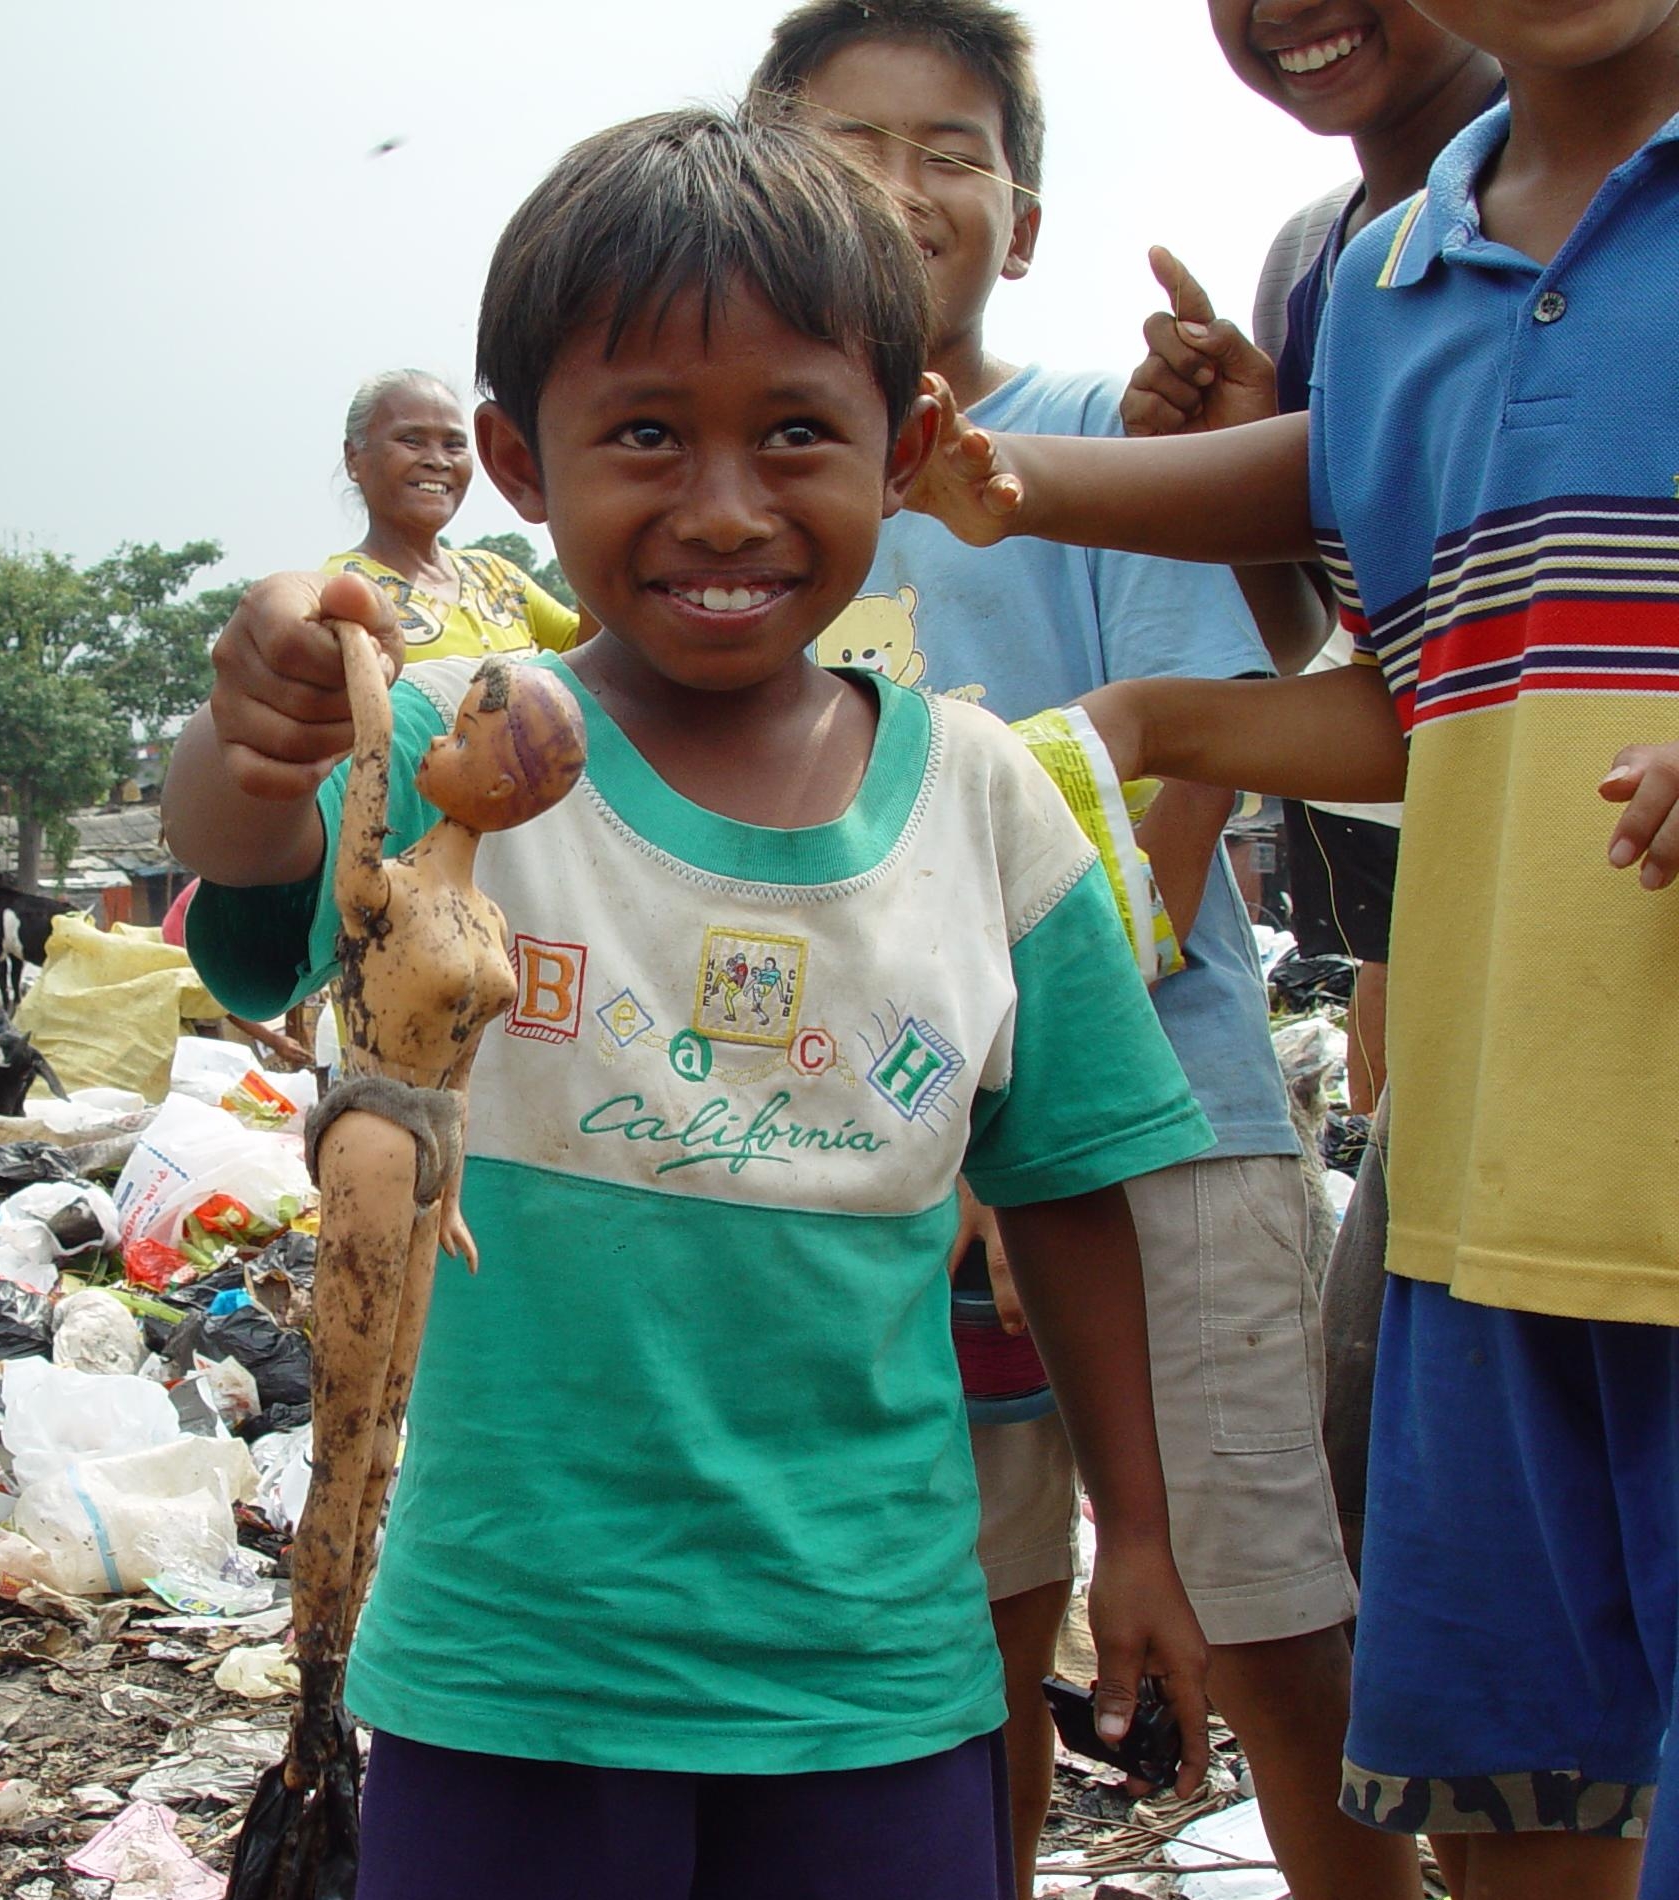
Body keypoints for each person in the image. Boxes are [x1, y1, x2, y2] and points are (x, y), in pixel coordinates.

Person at [167, 106, 1217, 1900]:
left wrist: (1146, 1540)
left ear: (911, 447)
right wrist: (251, 725)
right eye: (644, 432)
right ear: (519, 456)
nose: (723, 504)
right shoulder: (454, 750)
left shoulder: (985, 805)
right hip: (510, 1677)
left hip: (875, 1684)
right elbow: (256, 882)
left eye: (798, 432)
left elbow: (1075, 1198)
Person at [904, 4, 1679, 1891]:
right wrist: (1150, 694)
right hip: (1485, 1205)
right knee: (1523, 1801)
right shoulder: (1402, 278)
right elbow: (1422, 697)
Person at [748, 9, 1403, 1896]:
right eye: (846, 144)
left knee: (1266, 1639)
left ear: (1023, 221)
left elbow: (1176, 786)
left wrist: (996, 1106)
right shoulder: (746, 487)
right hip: (826, 1156)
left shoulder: (1098, 447)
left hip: (1151, 1128)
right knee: (958, 1654)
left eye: (950, 149)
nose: (899, 186)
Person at [1122, 5, 1504, 1123]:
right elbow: (1340, 644)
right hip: (1440, 883)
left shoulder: (1603, 186)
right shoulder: (1313, 262)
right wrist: (1230, 464)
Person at [326, 369, 587, 664]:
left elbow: (597, 652)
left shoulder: (498, 578)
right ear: (353, 458)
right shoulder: (340, 589)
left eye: (453, 445)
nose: (438, 461)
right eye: (412, 440)